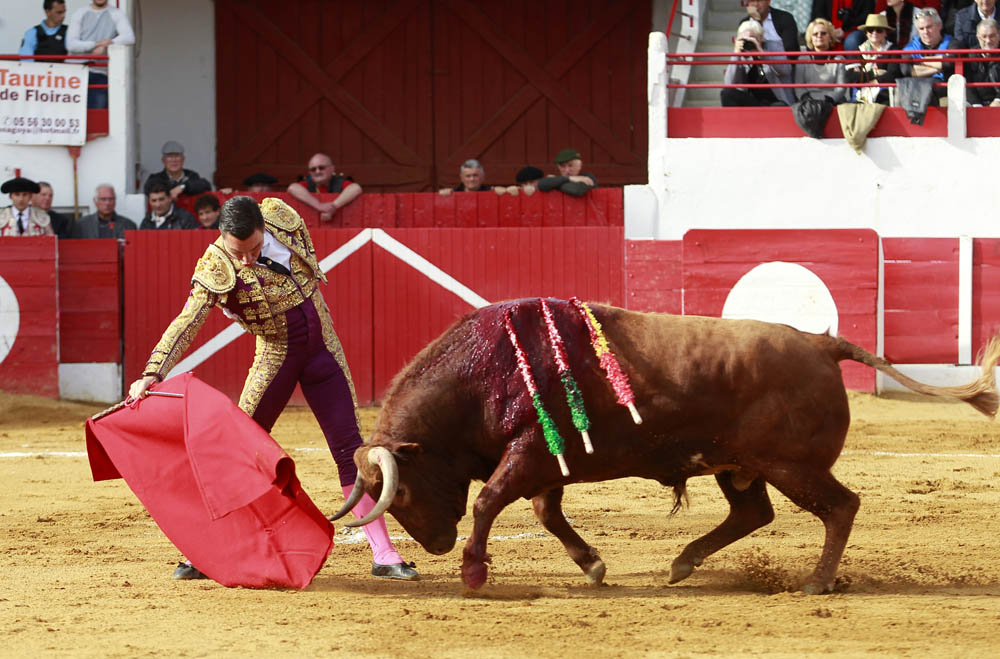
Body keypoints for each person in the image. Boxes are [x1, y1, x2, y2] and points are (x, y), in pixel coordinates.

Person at [127, 196, 418, 582]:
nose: (246, 260)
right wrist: (153, 370)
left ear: (264, 229)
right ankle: (203, 551)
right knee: (237, 450)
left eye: (254, 249)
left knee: (351, 448)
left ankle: (384, 553)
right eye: (238, 252)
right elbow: (187, 320)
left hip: (324, 350)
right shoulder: (216, 265)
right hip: (276, 356)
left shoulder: (282, 219)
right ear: (222, 236)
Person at [66, 0, 135, 109]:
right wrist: (97, 44)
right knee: (72, 111)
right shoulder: (80, 13)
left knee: (98, 112)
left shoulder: (116, 13)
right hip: (76, 73)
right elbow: (71, 45)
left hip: (100, 72)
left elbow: (129, 37)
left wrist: (107, 44)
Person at [721, 19, 797, 106]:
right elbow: (729, 83)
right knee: (726, 93)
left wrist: (762, 54)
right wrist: (736, 55)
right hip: (754, 101)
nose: (749, 42)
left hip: (776, 100)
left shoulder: (773, 46)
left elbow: (786, 70)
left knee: (779, 106)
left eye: (752, 38)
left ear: (761, 38)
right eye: (744, 39)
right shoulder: (742, 53)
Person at [899, 7, 955, 101]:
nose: (926, 32)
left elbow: (949, 63)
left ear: (939, 25)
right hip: (918, 91)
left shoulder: (952, 43)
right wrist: (939, 68)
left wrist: (919, 62)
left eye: (929, 27)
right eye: (921, 29)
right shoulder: (911, 46)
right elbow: (907, 70)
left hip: (945, 92)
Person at [287, 153, 362, 222]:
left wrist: (333, 207)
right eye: (313, 169)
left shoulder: (340, 182)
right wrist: (319, 205)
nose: (317, 171)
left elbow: (356, 188)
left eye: (321, 168)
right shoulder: (307, 183)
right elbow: (292, 188)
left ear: (332, 168)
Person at [845, 14, 896, 103]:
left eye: (879, 30)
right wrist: (875, 73)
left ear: (885, 33)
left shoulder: (893, 49)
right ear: (866, 33)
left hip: (884, 95)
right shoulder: (858, 50)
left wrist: (867, 79)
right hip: (860, 95)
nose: (874, 33)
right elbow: (851, 77)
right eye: (870, 30)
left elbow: (892, 74)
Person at [795, 18, 849, 103]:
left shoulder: (839, 59)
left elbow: (841, 88)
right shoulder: (802, 59)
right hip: (808, 103)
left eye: (823, 33)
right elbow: (798, 87)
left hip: (832, 102)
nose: (819, 36)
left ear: (830, 37)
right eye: (815, 34)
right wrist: (807, 100)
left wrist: (829, 100)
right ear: (811, 38)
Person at [143, 141, 212, 201]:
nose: (174, 160)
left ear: (183, 159)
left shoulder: (191, 175)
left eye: (177, 156)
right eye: (170, 156)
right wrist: (175, 188)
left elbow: (206, 185)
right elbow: (149, 189)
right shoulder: (155, 178)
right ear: (163, 160)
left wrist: (183, 187)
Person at [70, 184, 137, 239]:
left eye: (111, 199)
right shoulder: (82, 225)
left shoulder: (128, 225)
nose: (107, 203)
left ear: (115, 201)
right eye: (103, 199)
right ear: (95, 201)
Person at [811, 0, 876, 49]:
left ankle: (852, 62)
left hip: (855, 28)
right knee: (818, 36)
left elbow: (867, 15)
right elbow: (818, 14)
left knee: (852, 41)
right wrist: (830, 30)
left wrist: (844, 29)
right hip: (828, 29)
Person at [966, 18, 1000, 105]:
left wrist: (998, 100)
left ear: (999, 36)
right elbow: (967, 84)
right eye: (984, 37)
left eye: (992, 36)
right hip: (977, 104)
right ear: (978, 37)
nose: (988, 41)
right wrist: (976, 104)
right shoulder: (970, 56)